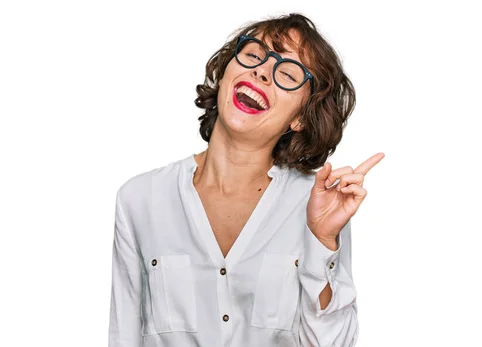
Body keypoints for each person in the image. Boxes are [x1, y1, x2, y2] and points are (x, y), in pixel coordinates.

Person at [108, 13, 384, 347]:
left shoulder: (316, 204)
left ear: (299, 117)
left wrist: (322, 241)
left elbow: (333, 343)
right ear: (225, 74)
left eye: (287, 74)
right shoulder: (140, 198)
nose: (263, 71)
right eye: (254, 55)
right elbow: (123, 335)